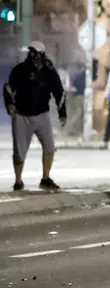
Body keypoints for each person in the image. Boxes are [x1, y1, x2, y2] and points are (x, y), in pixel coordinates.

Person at [3, 41, 66, 191]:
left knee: (49, 147)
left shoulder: (49, 72)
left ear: (42, 54)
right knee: (19, 152)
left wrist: (62, 113)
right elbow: (8, 88)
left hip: (42, 115)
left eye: (35, 52)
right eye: (30, 52)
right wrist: (10, 104)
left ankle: (45, 178)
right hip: (21, 115)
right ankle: (18, 181)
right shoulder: (20, 70)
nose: (32, 55)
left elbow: (59, 92)